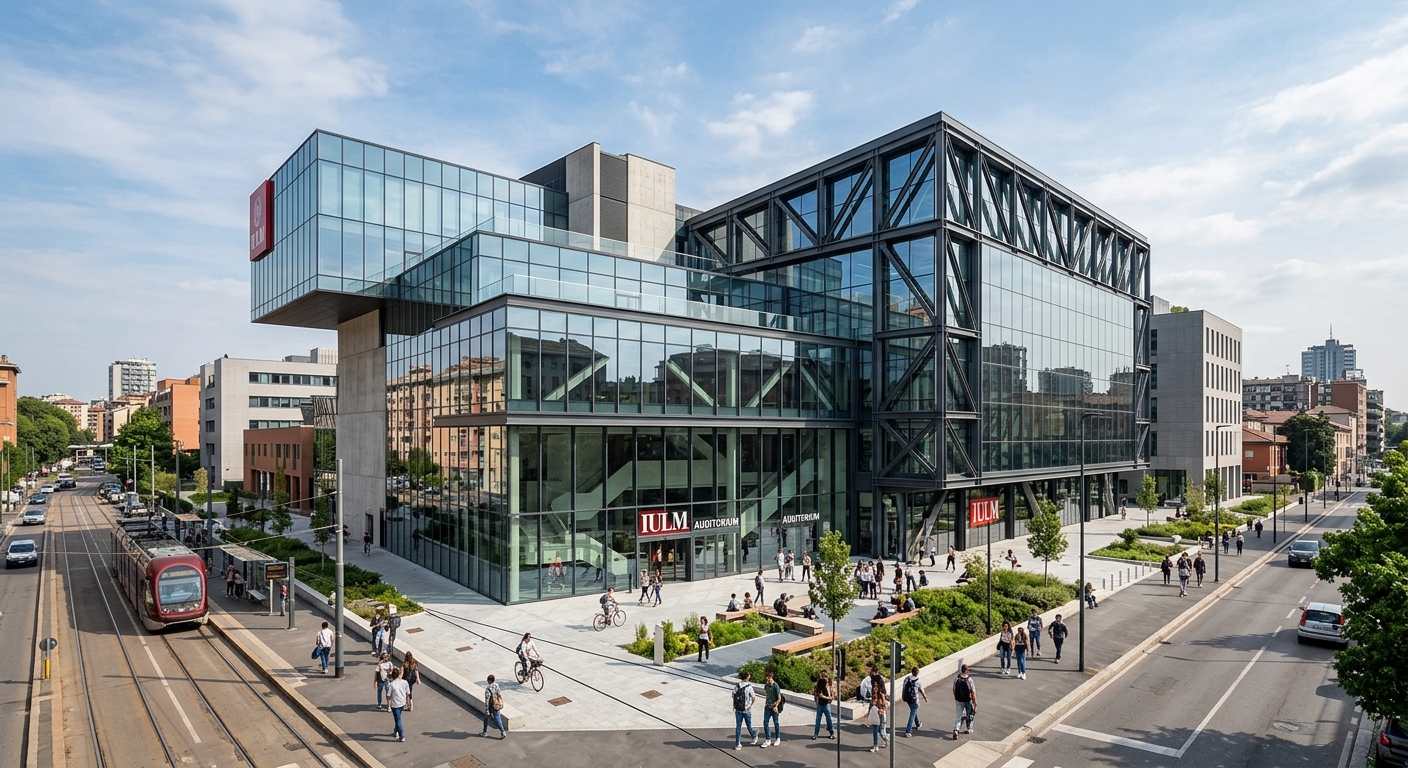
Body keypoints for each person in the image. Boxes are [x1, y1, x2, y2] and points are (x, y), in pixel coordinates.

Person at [732, 670, 759, 750]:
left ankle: (738, 744)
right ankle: (754, 735)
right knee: (749, 726)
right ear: (747, 677)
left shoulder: (737, 685)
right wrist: (750, 705)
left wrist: (734, 705)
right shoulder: (749, 687)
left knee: (738, 727)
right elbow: (754, 698)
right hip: (746, 710)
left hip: (738, 710)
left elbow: (733, 695)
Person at [901, 665, 928, 736]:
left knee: (913, 711)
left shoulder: (907, 679)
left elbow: (904, 687)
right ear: (917, 673)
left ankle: (918, 723)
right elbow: (921, 690)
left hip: (907, 699)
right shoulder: (918, 682)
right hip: (914, 700)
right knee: (912, 715)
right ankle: (908, 731)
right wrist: (925, 698)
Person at [952, 664, 977, 739]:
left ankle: (956, 730)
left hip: (959, 700)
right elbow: (973, 692)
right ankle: (969, 728)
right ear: (967, 671)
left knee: (958, 716)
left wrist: (956, 697)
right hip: (968, 700)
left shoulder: (957, 678)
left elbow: (954, 689)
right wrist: (975, 702)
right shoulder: (969, 680)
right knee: (969, 715)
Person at [386, 667, 410, 742]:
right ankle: (395, 731)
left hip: (395, 704)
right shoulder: (405, 682)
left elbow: (388, 695)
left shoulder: (391, 685)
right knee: (398, 717)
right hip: (402, 703)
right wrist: (407, 702)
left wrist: (388, 703)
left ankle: (402, 736)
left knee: (398, 720)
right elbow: (408, 693)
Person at [761, 669, 784, 747]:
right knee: (765, 722)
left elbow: (779, 698)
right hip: (768, 706)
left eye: (770, 678)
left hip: (774, 707)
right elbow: (767, 694)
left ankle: (778, 738)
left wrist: (776, 706)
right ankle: (768, 739)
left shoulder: (776, 686)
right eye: (767, 678)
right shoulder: (766, 685)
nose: (769, 680)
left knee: (776, 723)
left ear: (772, 678)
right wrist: (766, 701)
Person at [868, 677, 890, 752]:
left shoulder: (881, 692)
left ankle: (886, 739)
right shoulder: (874, 690)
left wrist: (880, 706)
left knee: (881, 731)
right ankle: (875, 745)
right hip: (875, 711)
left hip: (880, 712)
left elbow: (884, 704)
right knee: (875, 729)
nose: (874, 685)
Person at [812, 673, 836, 740]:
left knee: (829, 719)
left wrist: (824, 697)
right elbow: (815, 694)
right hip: (820, 705)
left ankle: (832, 733)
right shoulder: (819, 686)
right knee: (818, 720)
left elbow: (832, 697)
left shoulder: (830, 688)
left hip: (826, 705)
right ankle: (816, 734)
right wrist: (817, 700)